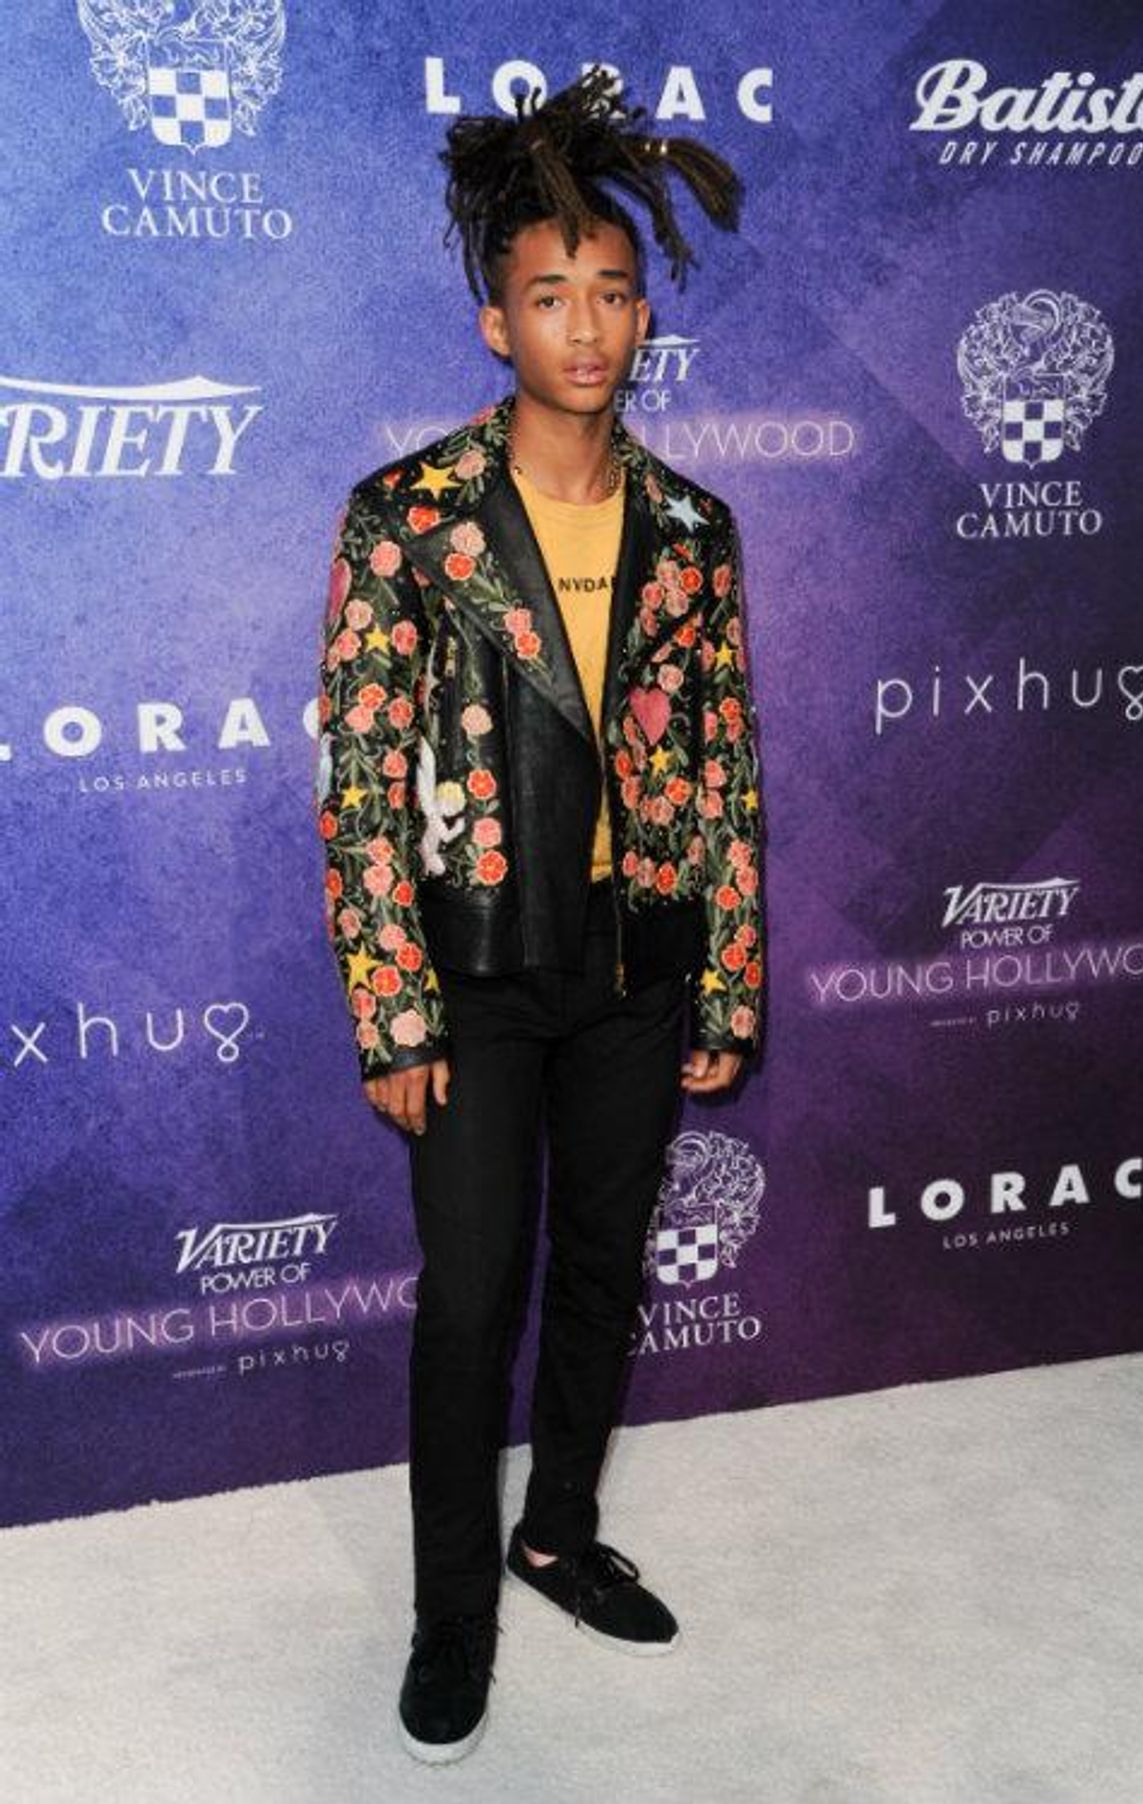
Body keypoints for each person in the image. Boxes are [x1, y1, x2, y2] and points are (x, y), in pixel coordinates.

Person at [316, 67, 766, 1764]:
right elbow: (361, 779)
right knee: (468, 1293)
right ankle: (453, 1617)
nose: (587, 326)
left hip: (640, 965)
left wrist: (724, 984)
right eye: (549, 295)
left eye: (613, 291)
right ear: (494, 321)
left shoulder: (695, 530)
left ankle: (558, 1536)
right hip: (476, 976)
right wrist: (394, 1008)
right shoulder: (411, 520)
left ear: (644, 314)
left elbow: (721, 767)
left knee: (599, 1267)